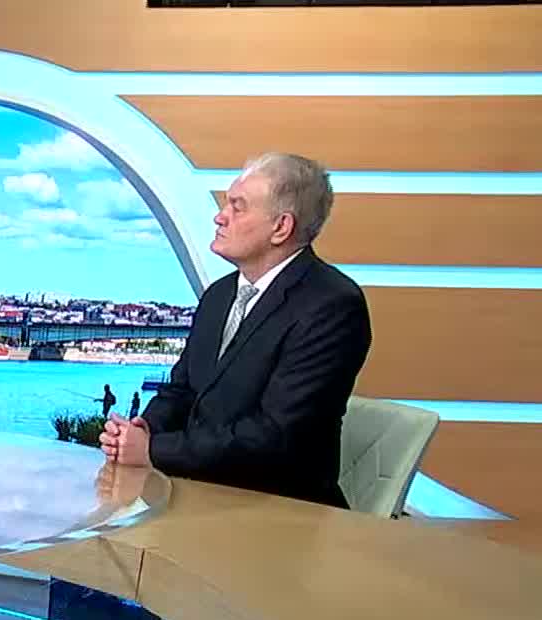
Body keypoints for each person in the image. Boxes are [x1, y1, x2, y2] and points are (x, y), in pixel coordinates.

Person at [101, 152, 370, 508]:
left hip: (280, 514)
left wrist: (153, 450)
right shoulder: (219, 295)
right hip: (193, 499)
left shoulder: (332, 305)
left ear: (281, 227)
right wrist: (142, 429)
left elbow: (274, 437)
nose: (220, 216)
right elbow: (182, 390)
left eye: (237, 207)